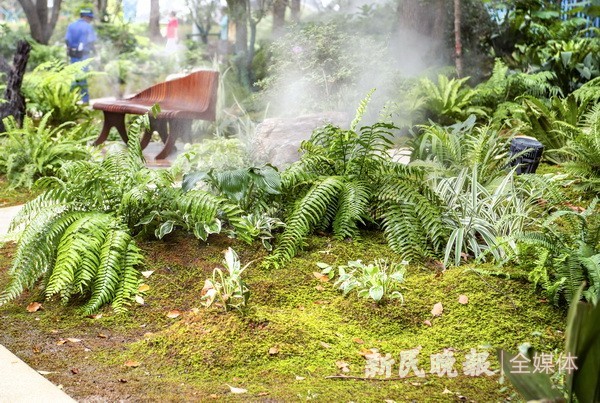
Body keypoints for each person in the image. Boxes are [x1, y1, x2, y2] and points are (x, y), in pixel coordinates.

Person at [65, 8, 97, 103]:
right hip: (83, 55)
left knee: (74, 76)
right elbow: (91, 42)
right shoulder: (87, 27)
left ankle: (69, 100)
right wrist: (95, 53)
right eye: (90, 18)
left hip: (73, 54)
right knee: (82, 77)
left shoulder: (71, 26)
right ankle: (85, 100)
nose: (91, 20)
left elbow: (67, 40)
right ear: (86, 17)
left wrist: (69, 48)